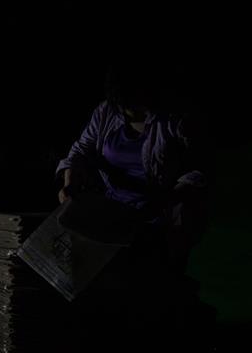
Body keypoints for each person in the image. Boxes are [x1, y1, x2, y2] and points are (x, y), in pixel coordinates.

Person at [56, 60, 208, 274]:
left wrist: (162, 201)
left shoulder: (175, 121)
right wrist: (68, 183)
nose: (128, 113)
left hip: (160, 215)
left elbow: (197, 171)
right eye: (123, 107)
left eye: (134, 105)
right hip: (113, 208)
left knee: (155, 278)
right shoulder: (107, 112)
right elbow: (80, 150)